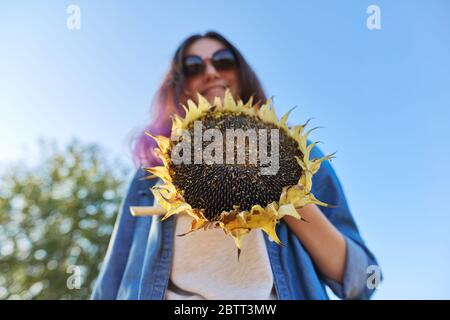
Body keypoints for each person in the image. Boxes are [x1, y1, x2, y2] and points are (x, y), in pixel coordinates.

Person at [91, 31, 381, 300]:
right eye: (193, 66)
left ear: (241, 73)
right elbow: (111, 281)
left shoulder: (298, 154)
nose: (211, 72)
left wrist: (283, 184)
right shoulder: (149, 173)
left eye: (223, 61)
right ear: (180, 85)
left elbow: (362, 279)